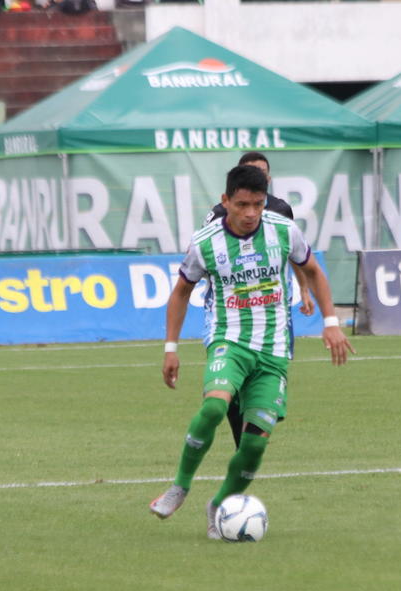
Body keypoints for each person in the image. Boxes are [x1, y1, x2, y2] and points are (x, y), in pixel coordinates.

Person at [149, 164, 355, 540]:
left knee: (255, 444)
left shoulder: (283, 231)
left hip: (274, 350)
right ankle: (179, 485)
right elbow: (180, 292)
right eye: (242, 204)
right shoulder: (206, 241)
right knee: (214, 406)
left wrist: (331, 322)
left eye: (257, 205)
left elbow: (313, 270)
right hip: (229, 339)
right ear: (225, 201)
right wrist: (171, 348)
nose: (249, 214)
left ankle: (220, 505)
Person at [202, 151, 314, 450]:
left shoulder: (280, 211)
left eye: (263, 172)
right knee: (233, 383)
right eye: (252, 170)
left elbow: (298, 255)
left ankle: (257, 417)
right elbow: (207, 257)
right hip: (234, 311)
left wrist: (303, 289)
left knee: (270, 372)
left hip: (274, 307)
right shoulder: (218, 213)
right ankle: (244, 433)